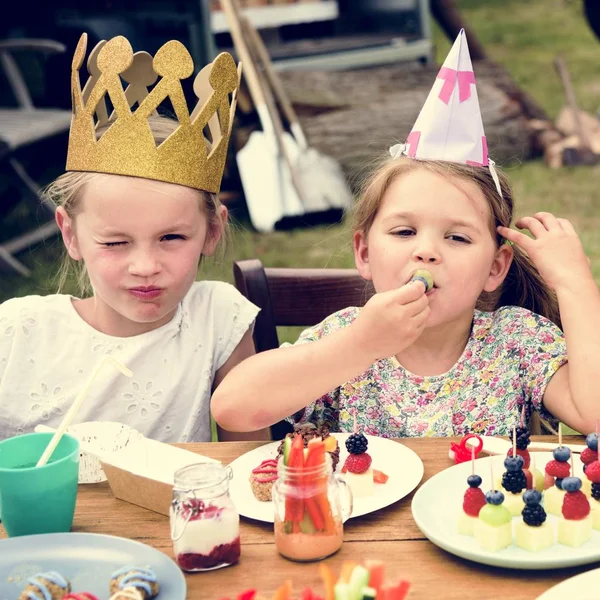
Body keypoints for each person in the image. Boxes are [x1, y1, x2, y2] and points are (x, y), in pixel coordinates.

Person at [211, 30, 600, 438]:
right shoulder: (343, 336)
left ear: (495, 267)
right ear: (363, 252)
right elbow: (232, 408)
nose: (427, 251)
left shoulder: (515, 342)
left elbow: (593, 418)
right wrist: (359, 345)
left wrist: (574, 284)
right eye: (404, 231)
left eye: (457, 238)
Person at [0, 33, 269, 443]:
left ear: (212, 231)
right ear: (70, 234)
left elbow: (251, 465)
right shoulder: (17, 332)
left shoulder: (216, 320)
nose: (145, 267)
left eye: (172, 237)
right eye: (114, 242)